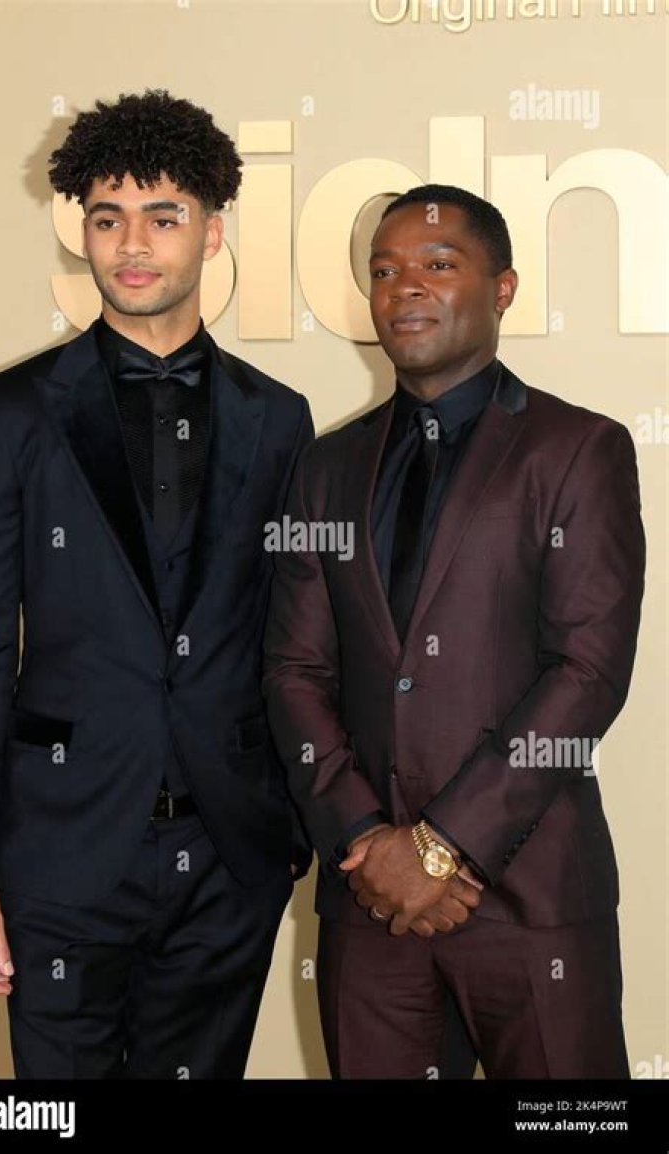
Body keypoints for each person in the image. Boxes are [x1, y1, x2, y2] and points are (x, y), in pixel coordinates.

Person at [0, 89, 313, 1079]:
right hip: (57, 855)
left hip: (228, 861)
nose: (134, 243)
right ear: (83, 233)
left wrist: (290, 829)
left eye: (164, 216)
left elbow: (295, 638)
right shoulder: (10, 413)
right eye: (108, 218)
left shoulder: (279, 417)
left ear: (212, 232)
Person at [263, 184, 645, 1079]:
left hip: (532, 899)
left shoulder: (577, 449)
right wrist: (366, 840)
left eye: (438, 264)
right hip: (370, 905)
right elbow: (293, 669)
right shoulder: (326, 466)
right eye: (384, 271)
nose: (404, 287)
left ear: (502, 288)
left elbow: (588, 670)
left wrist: (441, 846)